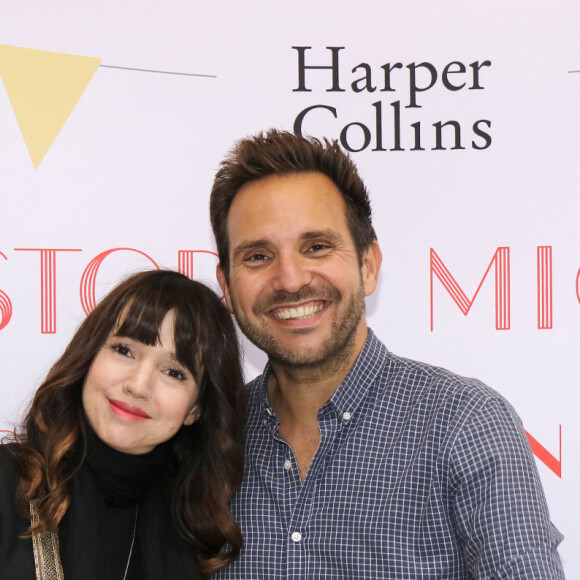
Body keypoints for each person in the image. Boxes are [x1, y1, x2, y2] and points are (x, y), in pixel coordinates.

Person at [209, 129, 565, 578]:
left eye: (316, 247)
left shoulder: (465, 425)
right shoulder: (210, 439)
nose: (291, 279)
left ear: (368, 265)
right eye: (258, 256)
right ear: (226, 283)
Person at [0, 269, 244, 579]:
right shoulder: (9, 483)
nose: (138, 386)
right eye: (124, 350)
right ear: (89, 356)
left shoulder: (196, 527)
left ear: (195, 409)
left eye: (173, 372)